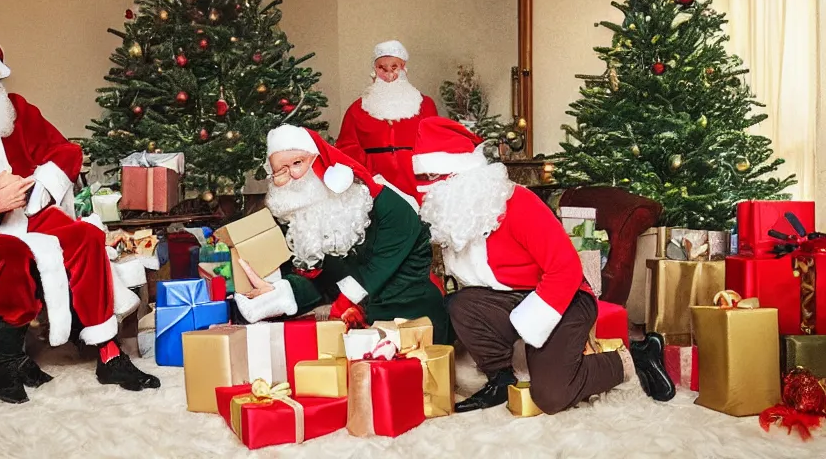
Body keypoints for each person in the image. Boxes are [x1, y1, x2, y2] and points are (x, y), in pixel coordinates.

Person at [0, 15, 159, 404]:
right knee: (8, 251)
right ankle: (9, 361)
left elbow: (64, 151)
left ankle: (108, 353)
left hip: (27, 215)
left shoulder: (16, 111)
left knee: (85, 235)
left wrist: (37, 188)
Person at [411, 117, 674, 414]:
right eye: (423, 177)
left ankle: (632, 358)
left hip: (566, 296)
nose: (428, 188)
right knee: (462, 304)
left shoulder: (518, 204)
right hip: (511, 295)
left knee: (551, 395)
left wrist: (532, 322)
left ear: (463, 174)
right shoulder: (459, 217)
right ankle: (500, 377)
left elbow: (567, 270)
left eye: (435, 176)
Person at [232, 124, 452, 345]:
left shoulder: (389, 206)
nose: (294, 175)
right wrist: (281, 292)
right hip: (355, 331)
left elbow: (371, 275)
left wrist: (338, 310)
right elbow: (322, 283)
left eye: (298, 163)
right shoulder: (304, 224)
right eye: (281, 170)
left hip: (413, 323)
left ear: (321, 161)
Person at [334, 40, 437, 206]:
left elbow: (435, 143)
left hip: (415, 181)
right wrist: (370, 173)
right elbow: (346, 147)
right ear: (374, 71)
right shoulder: (357, 109)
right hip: (375, 184)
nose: (389, 75)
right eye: (382, 68)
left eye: (394, 67)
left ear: (404, 69)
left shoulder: (425, 105)